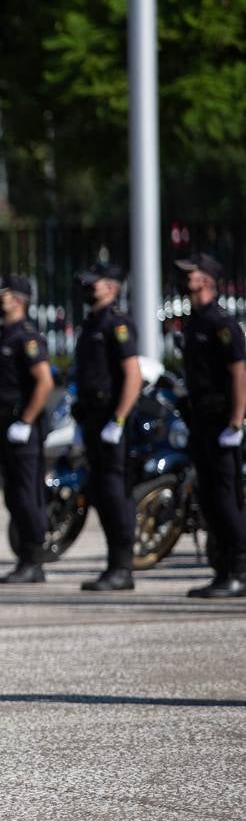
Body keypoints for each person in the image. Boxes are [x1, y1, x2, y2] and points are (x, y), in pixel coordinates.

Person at [174, 253, 246, 598]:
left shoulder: (221, 323)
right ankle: (223, 570)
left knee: (225, 498)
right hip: (200, 421)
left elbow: (239, 373)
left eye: (191, 273)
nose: (185, 278)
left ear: (207, 280)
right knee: (209, 498)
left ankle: (239, 571)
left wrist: (236, 422)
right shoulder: (196, 322)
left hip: (220, 421)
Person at [71, 263, 142, 591]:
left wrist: (119, 419)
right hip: (92, 419)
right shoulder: (91, 324)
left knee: (115, 493)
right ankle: (114, 565)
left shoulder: (118, 323)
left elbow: (132, 376)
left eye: (94, 284)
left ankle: (122, 567)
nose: (87, 289)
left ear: (111, 287)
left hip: (110, 419)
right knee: (99, 492)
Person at [0, 275, 55, 584]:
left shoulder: (26, 337)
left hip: (23, 426)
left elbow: (44, 381)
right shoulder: (6, 334)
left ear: (17, 299)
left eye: (2, 296)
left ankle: (33, 561)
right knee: (14, 495)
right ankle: (25, 559)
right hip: (8, 423)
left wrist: (26, 421)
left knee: (28, 495)